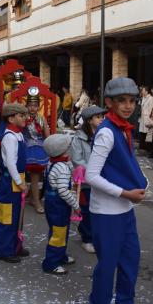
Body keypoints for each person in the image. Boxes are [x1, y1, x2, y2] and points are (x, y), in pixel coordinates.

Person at [85, 77, 148, 304]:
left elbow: (125, 164)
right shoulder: (107, 132)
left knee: (130, 260)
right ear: (109, 102)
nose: (128, 106)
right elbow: (91, 176)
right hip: (106, 213)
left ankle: (124, 301)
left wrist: (141, 183)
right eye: (122, 101)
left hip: (124, 210)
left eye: (132, 100)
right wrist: (126, 193)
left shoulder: (124, 129)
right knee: (108, 265)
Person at [41, 134, 80, 275]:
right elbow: (63, 191)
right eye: (68, 148)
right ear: (63, 151)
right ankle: (51, 263)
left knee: (60, 231)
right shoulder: (62, 168)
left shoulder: (52, 162)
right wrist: (76, 205)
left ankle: (60, 255)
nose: (70, 150)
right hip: (58, 205)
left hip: (52, 203)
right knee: (58, 233)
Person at [0, 102, 29, 264]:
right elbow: (10, 163)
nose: (25, 118)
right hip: (10, 182)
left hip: (18, 179)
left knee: (17, 216)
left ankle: (16, 245)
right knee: (7, 216)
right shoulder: (9, 137)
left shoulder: (19, 135)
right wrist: (19, 182)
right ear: (11, 118)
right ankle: (5, 250)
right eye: (21, 115)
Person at [70, 105, 106, 254]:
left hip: (101, 179)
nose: (102, 119)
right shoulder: (78, 138)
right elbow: (77, 159)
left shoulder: (104, 135)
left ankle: (93, 234)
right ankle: (87, 238)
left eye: (102, 116)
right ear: (89, 120)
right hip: (85, 181)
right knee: (87, 210)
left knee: (99, 209)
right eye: (98, 117)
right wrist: (94, 171)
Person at [24, 94, 50, 214]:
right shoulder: (23, 117)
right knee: (27, 176)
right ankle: (33, 199)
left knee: (36, 176)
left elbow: (47, 136)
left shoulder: (41, 118)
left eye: (35, 106)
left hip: (39, 149)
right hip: (26, 148)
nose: (32, 108)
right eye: (30, 105)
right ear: (26, 106)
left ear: (39, 107)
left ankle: (35, 199)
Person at [139, 86, 153, 150]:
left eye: (143, 90)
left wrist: (149, 118)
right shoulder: (143, 97)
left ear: (146, 91)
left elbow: (151, 109)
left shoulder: (151, 99)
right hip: (142, 118)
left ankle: (147, 147)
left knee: (146, 133)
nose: (142, 91)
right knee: (142, 132)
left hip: (147, 118)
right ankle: (142, 146)